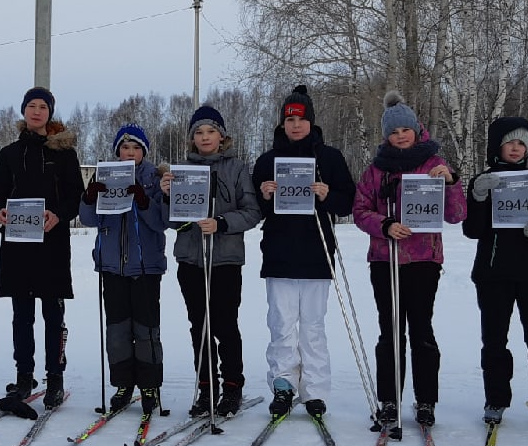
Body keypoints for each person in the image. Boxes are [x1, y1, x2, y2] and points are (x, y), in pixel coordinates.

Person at [351, 91, 466, 436]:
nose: (400, 136)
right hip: (384, 260)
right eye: (393, 132)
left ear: (417, 129)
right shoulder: (376, 170)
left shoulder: (434, 165)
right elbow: (360, 211)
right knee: (390, 331)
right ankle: (389, 399)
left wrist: (452, 182)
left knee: (421, 329)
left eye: (405, 130)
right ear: (386, 136)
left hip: (424, 260)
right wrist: (385, 225)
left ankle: (426, 399)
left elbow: (457, 215)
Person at [251, 84, 355, 417]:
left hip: (316, 253)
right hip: (280, 253)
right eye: (289, 120)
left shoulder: (329, 158)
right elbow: (253, 208)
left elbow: (347, 202)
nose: (295, 126)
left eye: (301, 119)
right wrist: (264, 194)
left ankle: (315, 390)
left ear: (311, 121)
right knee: (281, 323)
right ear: (282, 123)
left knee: (313, 327)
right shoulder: (268, 161)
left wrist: (327, 195)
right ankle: (283, 385)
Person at [462, 116, 528, 424]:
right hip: (492, 273)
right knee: (495, 340)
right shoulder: (483, 180)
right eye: (510, 142)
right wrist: (479, 196)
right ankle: (495, 400)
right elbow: (472, 230)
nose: (516, 148)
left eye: (522, 143)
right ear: (497, 146)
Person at [161, 104, 261, 419]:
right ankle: (207, 388)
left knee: (225, 325)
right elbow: (171, 222)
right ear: (192, 138)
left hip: (225, 260)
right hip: (191, 260)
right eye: (199, 132)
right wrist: (167, 196)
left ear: (221, 136)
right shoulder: (181, 170)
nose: (205, 137)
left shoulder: (237, 168)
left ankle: (232, 387)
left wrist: (222, 222)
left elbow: (253, 212)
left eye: (211, 131)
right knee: (200, 326)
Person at [0, 87, 84, 409]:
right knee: (21, 315)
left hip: (52, 245)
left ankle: (55, 377)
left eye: (43, 106)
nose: (37, 111)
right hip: (17, 245)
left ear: (50, 113)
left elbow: (76, 197)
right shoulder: (9, 154)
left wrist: (59, 214)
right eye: (32, 105)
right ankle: (24, 375)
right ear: (23, 110)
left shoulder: (64, 154)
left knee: (53, 315)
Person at [79, 123, 170, 416]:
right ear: (117, 151)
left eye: (136, 148)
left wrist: (143, 202)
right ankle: (122, 384)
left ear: (144, 152)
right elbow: (88, 219)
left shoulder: (155, 178)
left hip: (145, 267)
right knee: (117, 331)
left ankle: (149, 386)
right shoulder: (104, 174)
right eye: (125, 147)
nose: (130, 153)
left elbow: (162, 222)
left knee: (146, 330)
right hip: (112, 266)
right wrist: (89, 197)